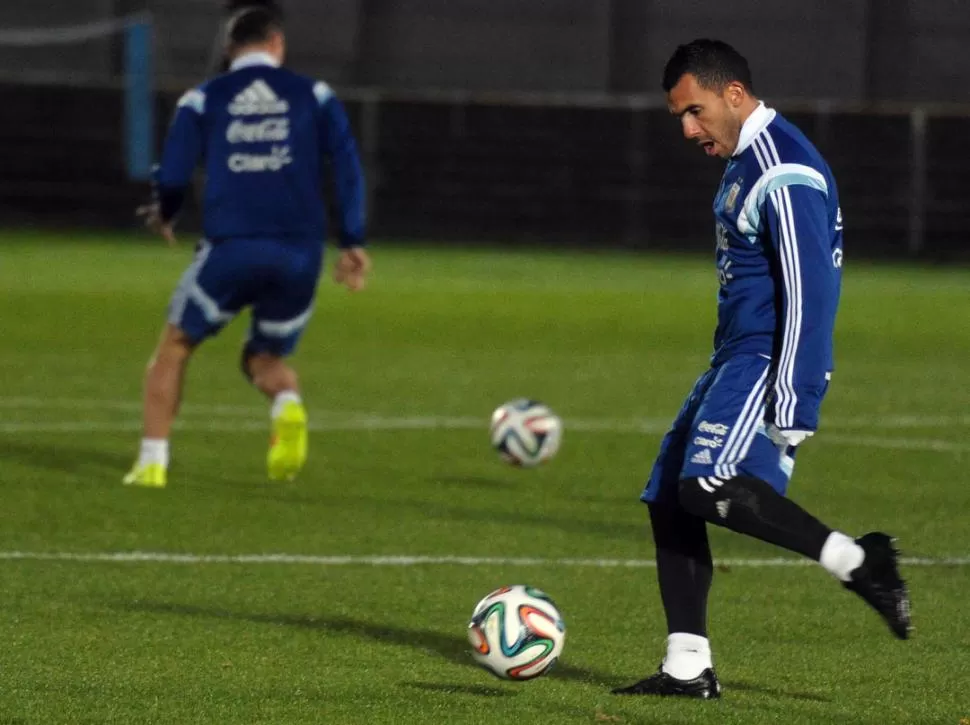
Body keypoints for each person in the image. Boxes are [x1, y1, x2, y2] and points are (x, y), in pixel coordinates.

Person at [612, 39, 911, 700]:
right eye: (678, 118)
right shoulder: (745, 159)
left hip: (766, 359)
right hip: (733, 357)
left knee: (712, 482)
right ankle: (688, 665)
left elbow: (810, 291)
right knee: (669, 493)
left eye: (694, 111)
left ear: (734, 95)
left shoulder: (782, 169)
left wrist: (796, 396)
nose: (688, 128)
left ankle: (860, 561)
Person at [124, 5, 369, 488]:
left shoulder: (203, 98)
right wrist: (353, 241)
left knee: (175, 347)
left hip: (230, 249)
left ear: (230, 49)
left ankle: (152, 462)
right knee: (265, 359)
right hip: (299, 254)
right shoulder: (314, 95)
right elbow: (347, 167)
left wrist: (166, 213)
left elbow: (173, 174)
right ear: (276, 43)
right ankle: (287, 404)